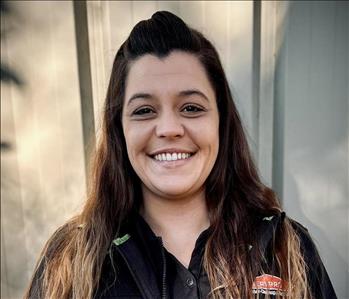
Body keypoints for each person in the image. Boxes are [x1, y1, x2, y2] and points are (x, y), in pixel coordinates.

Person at [25, 11, 336, 299]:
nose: (169, 128)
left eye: (191, 107)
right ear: (119, 130)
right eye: (144, 110)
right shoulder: (68, 263)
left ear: (221, 123)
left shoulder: (285, 249)